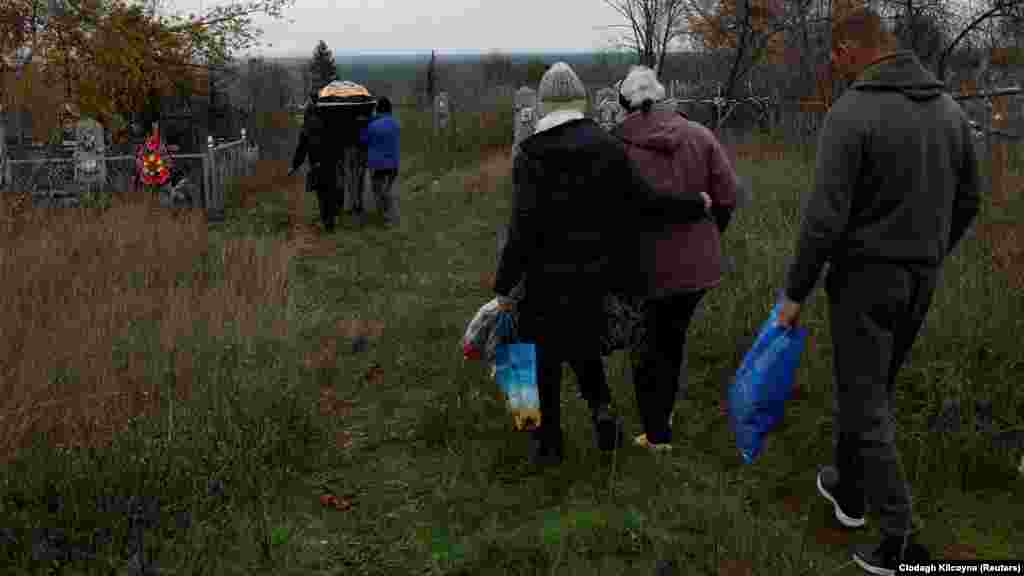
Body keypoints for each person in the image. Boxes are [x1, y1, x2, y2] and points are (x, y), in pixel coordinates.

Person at [774, 8, 980, 574]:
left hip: (865, 280)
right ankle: (847, 490)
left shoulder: (852, 113)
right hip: (921, 279)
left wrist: (795, 292)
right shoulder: (950, 112)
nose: (834, 67)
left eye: (835, 56)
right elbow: (970, 202)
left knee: (865, 401)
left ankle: (901, 542)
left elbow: (823, 220)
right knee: (871, 390)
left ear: (849, 49)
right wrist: (930, 252)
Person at [493, 62, 711, 466]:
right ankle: (604, 415)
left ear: (543, 106)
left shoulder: (530, 154)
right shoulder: (607, 145)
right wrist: (694, 203)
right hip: (596, 271)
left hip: (544, 274)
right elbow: (644, 200)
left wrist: (503, 284)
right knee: (583, 344)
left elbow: (521, 226)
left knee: (542, 358)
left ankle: (548, 444)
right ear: (581, 101)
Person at [611, 66, 737, 452]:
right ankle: (663, 417)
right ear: (662, 97)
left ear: (624, 104)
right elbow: (727, 196)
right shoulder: (700, 136)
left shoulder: (617, 147)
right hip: (696, 268)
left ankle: (656, 433)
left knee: (645, 347)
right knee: (673, 340)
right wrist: (710, 233)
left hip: (642, 269)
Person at [289, 90, 340, 233]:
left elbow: (302, 146)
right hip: (330, 161)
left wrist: (295, 165)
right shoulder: (330, 118)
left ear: (311, 102)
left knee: (322, 193)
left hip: (316, 162)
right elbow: (337, 141)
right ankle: (330, 220)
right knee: (330, 190)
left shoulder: (308, 122)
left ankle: (327, 222)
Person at [360, 96, 401, 226]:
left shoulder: (372, 126)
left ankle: (386, 215)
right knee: (388, 189)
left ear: (377, 110)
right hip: (393, 164)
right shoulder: (396, 124)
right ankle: (389, 214)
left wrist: (364, 123)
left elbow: (363, 141)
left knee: (378, 190)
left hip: (377, 164)